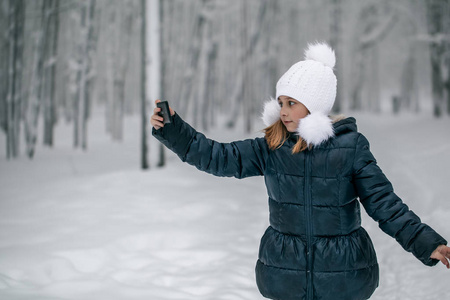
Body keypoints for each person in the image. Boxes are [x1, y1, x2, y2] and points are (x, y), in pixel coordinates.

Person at [151, 42, 449, 300]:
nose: (283, 111)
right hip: (285, 271)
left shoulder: (350, 148)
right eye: (281, 102)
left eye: (292, 103)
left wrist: (428, 243)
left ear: (314, 105)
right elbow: (219, 157)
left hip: (342, 274)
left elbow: (386, 205)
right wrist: (176, 131)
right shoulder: (271, 147)